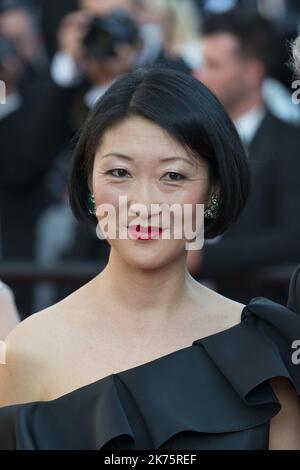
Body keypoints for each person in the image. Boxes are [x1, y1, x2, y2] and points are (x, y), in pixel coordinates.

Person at [0, 67, 299, 450]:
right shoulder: (29, 348)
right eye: (119, 172)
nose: (143, 204)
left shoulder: (262, 350)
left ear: (213, 193)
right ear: (89, 184)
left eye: (173, 176)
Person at [189, 10, 300, 304]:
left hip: (255, 315)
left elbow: (292, 237)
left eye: (213, 65)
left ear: (251, 72)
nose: (198, 75)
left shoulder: (290, 143)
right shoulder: (184, 139)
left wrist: (202, 257)